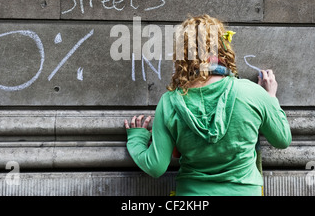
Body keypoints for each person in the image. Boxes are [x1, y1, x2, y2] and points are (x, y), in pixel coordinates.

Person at [124, 15, 292, 196]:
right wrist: (271, 97)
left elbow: (155, 166)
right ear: (223, 47)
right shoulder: (252, 93)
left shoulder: (169, 102)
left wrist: (137, 140)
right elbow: (282, 140)